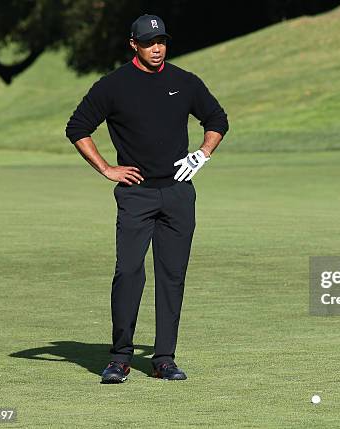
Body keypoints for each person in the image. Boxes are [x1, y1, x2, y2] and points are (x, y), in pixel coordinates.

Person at [65, 14, 229, 383]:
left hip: (177, 193)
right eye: (149, 41)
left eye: (162, 41)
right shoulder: (114, 86)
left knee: (172, 276)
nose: (157, 48)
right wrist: (107, 169)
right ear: (133, 44)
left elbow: (217, 119)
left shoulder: (184, 82)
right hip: (135, 195)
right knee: (128, 272)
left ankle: (164, 359)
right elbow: (77, 128)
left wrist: (202, 154)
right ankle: (121, 357)